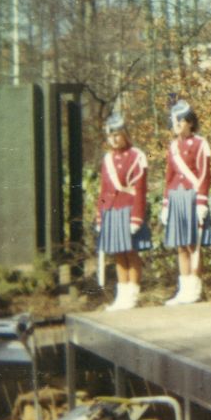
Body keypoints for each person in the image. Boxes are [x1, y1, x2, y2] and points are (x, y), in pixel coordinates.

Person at [95, 112, 152, 311]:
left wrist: (136, 217)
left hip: (129, 210)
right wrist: (100, 215)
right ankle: (122, 295)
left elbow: (140, 190)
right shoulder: (108, 159)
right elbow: (104, 190)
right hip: (112, 211)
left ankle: (133, 294)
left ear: (125, 134)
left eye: (117, 134)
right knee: (119, 254)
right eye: (111, 136)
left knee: (131, 252)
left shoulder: (137, 156)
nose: (114, 139)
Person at [161, 99, 211, 306]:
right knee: (181, 245)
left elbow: (204, 174)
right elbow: (169, 177)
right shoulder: (173, 146)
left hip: (193, 197)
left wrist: (202, 201)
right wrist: (166, 204)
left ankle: (195, 288)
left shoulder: (200, 143)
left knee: (194, 245)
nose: (176, 124)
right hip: (176, 197)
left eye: (181, 120)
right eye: (174, 121)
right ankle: (183, 289)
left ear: (190, 122)